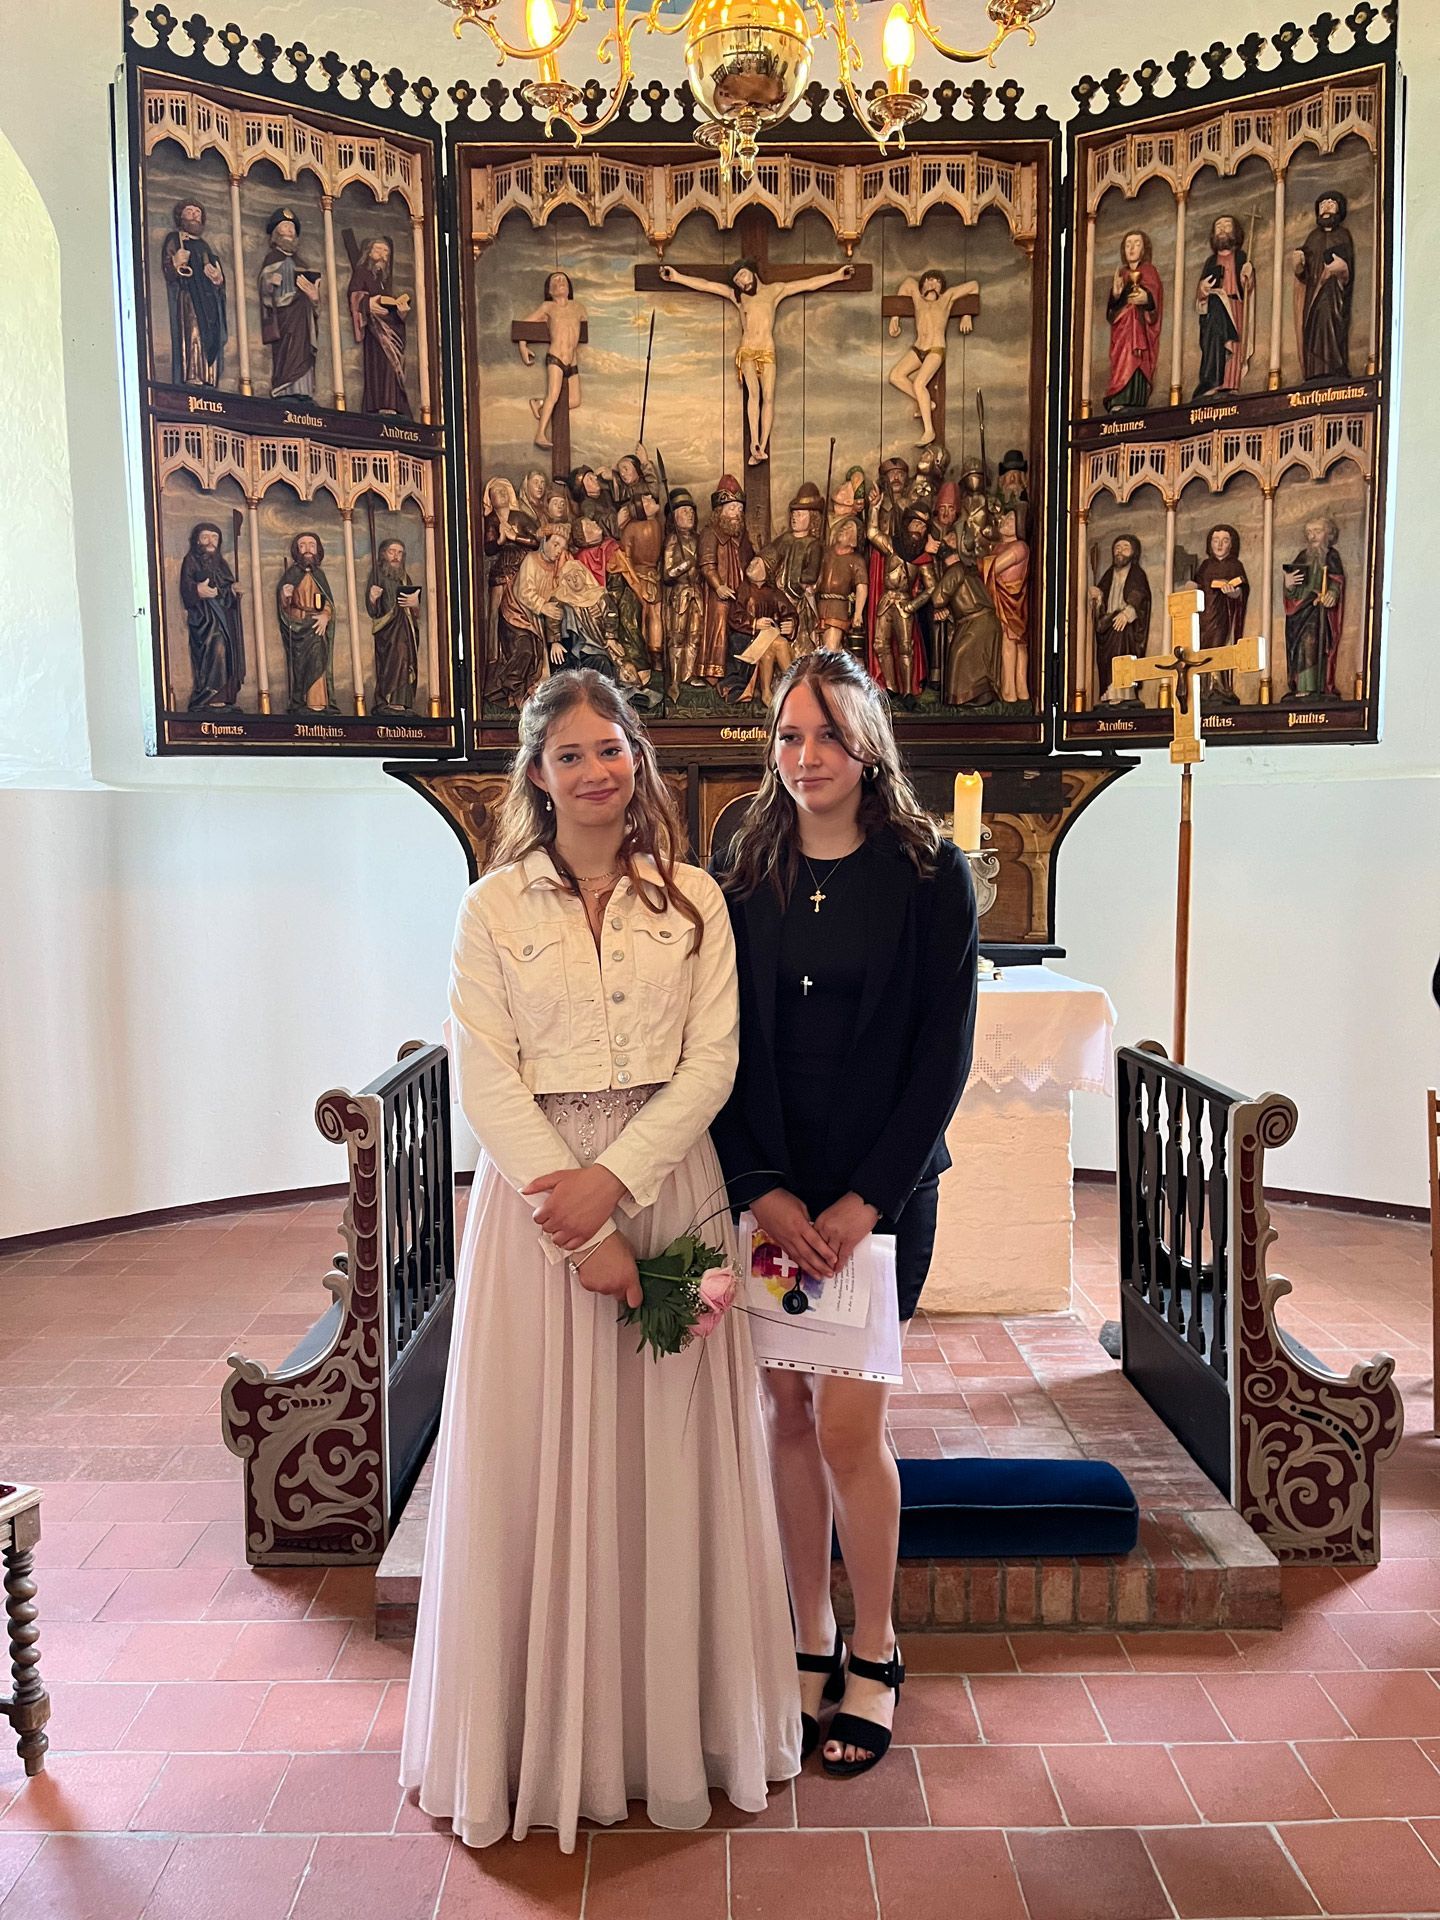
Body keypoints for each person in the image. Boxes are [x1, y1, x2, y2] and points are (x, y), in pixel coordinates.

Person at [402, 669, 800, 1848]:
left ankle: (669, 1733)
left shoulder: (694, 899)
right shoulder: (491, 908)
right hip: (538, 1213)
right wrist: (577, 1220)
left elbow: (714, 1059)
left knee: (666, 1454)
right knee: (535, 1450)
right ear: (537, 773)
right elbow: (483, 1073)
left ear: (639, 762)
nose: (593, 772)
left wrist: (617, 1187)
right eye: (568, 754)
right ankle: (532, 1741)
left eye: (610, 749)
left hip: (666, 1188)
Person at [713, 650, 978, 1779]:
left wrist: (870, 1199)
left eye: (827, 733)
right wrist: (761, 1187)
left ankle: (876, 1646)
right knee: (782, 1413)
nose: (806, 755)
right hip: (772, 1188)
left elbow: (942, 1055)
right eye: (788, 735)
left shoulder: (929, 872)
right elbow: (715, 1040)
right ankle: (808, 1632)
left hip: (880, 1197)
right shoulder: (743, 859)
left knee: (847, 1431)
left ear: (869, 743)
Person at [1103, 229, 1164, 413]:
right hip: (1122, 330)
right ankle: (1119, 396)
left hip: (1139, 327)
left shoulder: (1149, 272)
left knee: (1136, 358)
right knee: (1122, 359)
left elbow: (1154, 302)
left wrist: (1147, 299)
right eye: (1128, 244)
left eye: (1137, 244)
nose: (1131, 248)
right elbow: (1112, 312)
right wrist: (1115, 295)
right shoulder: (1121, 274)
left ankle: (1134, 398)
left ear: (1144, 249)